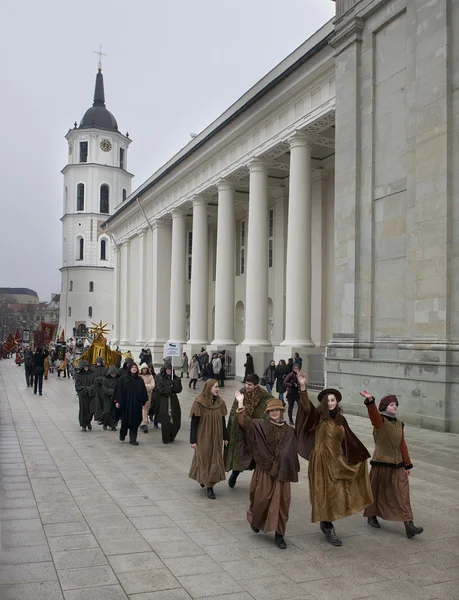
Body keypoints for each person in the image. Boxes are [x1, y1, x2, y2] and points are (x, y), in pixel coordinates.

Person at [295, 372, 373, 546]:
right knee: (323, 493)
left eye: (333, 400)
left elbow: (349, 441)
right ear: (324, 403)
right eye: (328, 400)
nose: (331, 403)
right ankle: (329, 527)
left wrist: (357, 457)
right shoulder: (318, 418)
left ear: (337, 402)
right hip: (320, 462)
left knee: (336, 493)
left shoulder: (341, 420)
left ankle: (327, 521)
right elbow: (306, 407)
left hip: (337, 462)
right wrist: (303, 387)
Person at [236, 395, 299, 549]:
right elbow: (244, 423)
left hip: (282, 473)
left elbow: (291, 450)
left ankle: (279, 535)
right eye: (272, 410)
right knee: (260, 499)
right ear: (267, 412)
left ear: (282, 411)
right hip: (264, 470)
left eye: (278, 410)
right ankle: (256, 520)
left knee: (282, 504)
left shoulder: (290, 431)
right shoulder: (260, 425)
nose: (275, 412)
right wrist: (240, 402)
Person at [360, 390, 423, 539]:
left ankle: (409, 524)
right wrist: (370, 401)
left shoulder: (399, 424)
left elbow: (402, 445)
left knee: (402, 493)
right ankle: (372, 515)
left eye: (396, 404)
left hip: (398, 465)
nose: (395, 407)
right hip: (381, 463)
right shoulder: (380, 421)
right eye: (391, 404)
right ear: (384, 407)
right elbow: (373, 415)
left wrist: (407, 464)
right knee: (376, 490)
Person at [224, 373, 272, 488]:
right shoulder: (241, 393)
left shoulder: (264, 396)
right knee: (240, 454)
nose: (247, 386)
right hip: (241, 430)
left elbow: (270, 409)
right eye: (246, 383)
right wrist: (231, 429)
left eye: (250, 384)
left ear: (256, 385)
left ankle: (258, 480)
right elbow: (233, 413)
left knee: (257, 456)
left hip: (256, 430)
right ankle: (235, 474)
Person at [189, 379, 228, 499]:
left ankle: (209, 484)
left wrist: (225, 437)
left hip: (217, 436)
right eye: (215, 387)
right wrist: (193, 440)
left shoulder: (220, 402)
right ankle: (207, 484)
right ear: (209, 388)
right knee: (204, 458)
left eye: (218, 387)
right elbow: (194, 423)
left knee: (215, 458)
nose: (218, 389)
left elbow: (222, 421)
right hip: (203, 436)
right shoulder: (199, 402)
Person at [114, 362, 148, 445]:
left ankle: (133, 439)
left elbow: (143, 391)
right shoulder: (123, 379)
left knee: (135, 421)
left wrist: (143, 401)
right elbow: (118, 391)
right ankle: (123, 434)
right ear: (129, 369)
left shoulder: (140, 380)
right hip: (126, 404)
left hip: (136, 405)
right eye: (132, 367)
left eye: (135, 367)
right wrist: (117, 401)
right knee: (125, 421)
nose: (134, 368)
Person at [154, 364, 183, 444]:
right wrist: (170, 387)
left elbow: (178, 389)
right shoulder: (160, 378)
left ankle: (172, 435)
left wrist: (174, 385)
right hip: (164, 400)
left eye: (170, 369)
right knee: (165, 420)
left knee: (176, 419)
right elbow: (160, 390)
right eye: (167, 369)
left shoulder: (176, 379)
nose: (168, 371)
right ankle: (165, 438)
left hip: (173, 399)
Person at [75, 360, 95, 431]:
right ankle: (84, 425)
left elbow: (94, 384)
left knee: (91, 410)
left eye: (87, 366)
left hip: (91, 395)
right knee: (83, 410)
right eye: (84, 367)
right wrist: (85, 390)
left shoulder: (93, 374)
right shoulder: (79, 375)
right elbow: (78, 386)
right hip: (83, 395)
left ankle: (88, 421)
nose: (86, 368)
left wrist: (90, 389)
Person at [101, 365, 120, 430]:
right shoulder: (105, 380)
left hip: (115, 398)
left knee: (114, 412)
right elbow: (104, 389)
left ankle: (113, 425)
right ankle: (105, 423)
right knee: (107, 411)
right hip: (107, 398)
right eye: (112, 373)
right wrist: (112, 391)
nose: (113, 375)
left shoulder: (118, 380)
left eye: (115, 373)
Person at [139, 363, 155, 433]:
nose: (144, 370)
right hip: (139, 395)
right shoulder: (139, 376)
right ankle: (143, 423)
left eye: (145, 369)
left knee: (145, 409)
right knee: (142, 409)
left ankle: (143, 422)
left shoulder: (150, 376)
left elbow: (152, 385)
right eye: (143, 369)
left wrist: (144, 386)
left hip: (148, 395)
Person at [93, 357, 108, 423]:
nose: (98, 363)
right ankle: (98, 417)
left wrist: (100, 379)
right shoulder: (93, 368)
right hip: (96, 387)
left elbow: (106, 377)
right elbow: (92, 377)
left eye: (99, 362)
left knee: (103, 402)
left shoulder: (105, 369)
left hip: (102, 387)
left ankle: (103, 416)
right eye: (97, 362)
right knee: (97, 403)